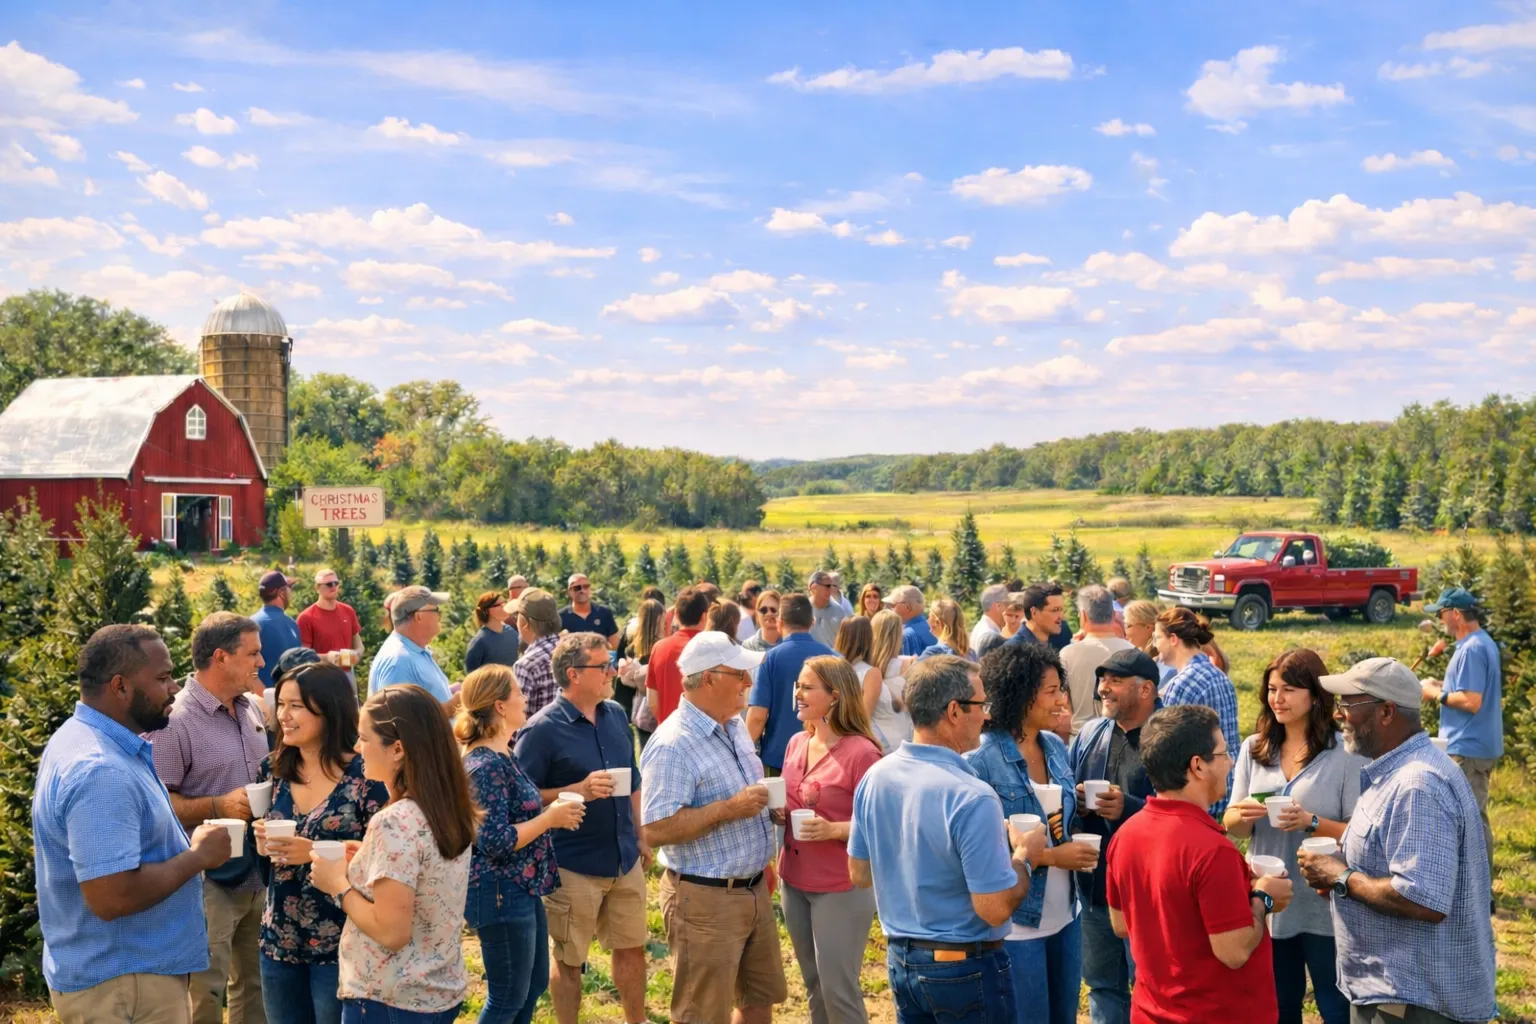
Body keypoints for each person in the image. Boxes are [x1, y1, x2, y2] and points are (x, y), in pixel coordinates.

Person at [35, 624, 233, 1024]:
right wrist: (198, 857)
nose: (175, 688)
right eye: (162, 678)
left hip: (126, 979)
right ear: (121, 687)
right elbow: (112, 897)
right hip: (126, 985)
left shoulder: (87, 739)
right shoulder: (101, 771)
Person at [848, 655, 1049, 1024]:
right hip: (964, 967)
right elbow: (994, 907)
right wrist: (1024, 856)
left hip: (903, 960)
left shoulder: (876, 777)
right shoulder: (972, 795)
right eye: (980, 705)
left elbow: (860, 873)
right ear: (954, 711)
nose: (986, 716)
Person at [1297, 657, 1497, 1024]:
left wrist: (1341, 878)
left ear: (1386, 712)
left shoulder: (1417, 785)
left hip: (1411, 1004)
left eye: (1348, 705)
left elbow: (1422, 899)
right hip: (1396, 995)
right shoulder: (1397, 772)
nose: (1339, 715)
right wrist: (1343, 880)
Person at [1105, 705, 1293, 1023]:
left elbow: (1122, 924)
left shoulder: (1126, 835)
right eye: (1222, 754)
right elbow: (1233, 952)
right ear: (1197, 766)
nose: (1231, 762)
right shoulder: (1212, 851)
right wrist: (1263, 898)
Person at [640, 631, 787, 1024]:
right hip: (705, 900)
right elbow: (654, 828)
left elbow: (743, 797)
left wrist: (769, 812)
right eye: (740, 674)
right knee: (702, 1014)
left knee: (757, 1002)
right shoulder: (673, 744)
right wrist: (727, 809)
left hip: (751, 890)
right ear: (709, 679)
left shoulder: (733, 725)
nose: (749, 683)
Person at [310, 684, 478, 1023]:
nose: (357, 748)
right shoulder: (447, 807)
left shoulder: (395, 821)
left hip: (389, 998)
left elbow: (392, 932)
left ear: (398, 748)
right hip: (438, 990)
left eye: (364, 738)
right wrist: (367, 858)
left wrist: (337, 885)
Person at [1224, 650, 1364, 1024]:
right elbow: (1232, 824)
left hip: (1324, 903)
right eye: (1271, 689)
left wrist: (1311, 821)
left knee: (1336, 1009)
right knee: (1278, 1007)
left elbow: (1362, 832)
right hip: (1270, 901)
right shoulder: (1254, 748)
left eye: (1288, 689)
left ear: (1315, 695)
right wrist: (1243, 814)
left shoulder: (1346, 754)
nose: (1277, 699)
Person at [516, 634, 651, 1024]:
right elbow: (521, 798)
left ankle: (636, 1019)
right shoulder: (541, 730)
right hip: (572, 864)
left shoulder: (614, 716)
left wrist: (640, 835)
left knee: (632, 948)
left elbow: (634, 781)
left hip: (623, 857)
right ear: (573, 674)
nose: (613, 671)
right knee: (570, 959)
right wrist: (577, 791)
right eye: (603, 665)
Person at [148, 612, 271, 1024]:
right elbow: (159, 804)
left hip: (257, 872)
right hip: (209, 884)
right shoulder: (175, 721)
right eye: (252, 653)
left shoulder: (250, 708)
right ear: (221, 656)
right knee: (205, 991)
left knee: (254, 986)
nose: (261, 662)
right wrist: (217, 806)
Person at [253, 663, 388, 1024]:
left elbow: (384, 856)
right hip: (279, 940)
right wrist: (261, 842)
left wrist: (310, 851)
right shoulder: (272, 770)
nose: (284, 715)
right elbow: (267, 863)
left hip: (343, 943)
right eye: (280, 704)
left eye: (296, 705)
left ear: (329, 708)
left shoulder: (367, 776)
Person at [967, 643, 1092, 1024]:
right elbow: (979, 848)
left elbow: (1060, 820)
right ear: (1021, 695)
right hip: (1016, 925)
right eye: (1051, 692)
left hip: (1066, 916)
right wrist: (1054, 857)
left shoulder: (1055, 746)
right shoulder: (980, 759)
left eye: (1060, 690)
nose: (1061, 701)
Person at [456, 665, 584, 1024]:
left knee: (531, 986)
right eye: (518, 693)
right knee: (507, 997)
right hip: (499, 892)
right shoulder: (484, 766)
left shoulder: (502, 755)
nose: (525, 698)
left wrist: (551, 810)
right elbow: (494, 840)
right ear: (499, 705)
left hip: (519, 887)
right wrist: (549, 819)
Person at [780, 656, 883, 1024]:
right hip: (793, 880)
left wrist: (834, 829)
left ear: (835, 697)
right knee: (814, 985)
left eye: (807, 687)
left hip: (841, 886)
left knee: (839, 990)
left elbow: (882, 826)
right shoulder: (796, 743)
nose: (798, 693)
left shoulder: (863, 753)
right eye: (798, 685)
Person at [1067, 648, 1162, 1024]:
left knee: (1151, 983)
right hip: (1095, 885)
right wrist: (1076, 802)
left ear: (1146, 690)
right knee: (1103, 985)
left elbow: (1192, 808)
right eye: (1103, 680)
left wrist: (1131, 807)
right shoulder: (1092, 732)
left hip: (1148, 890)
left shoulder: (1170, 735)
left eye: (1115, 681)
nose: (1104, 689)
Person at [1419, 586, 1500, 890]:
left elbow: (1471, 701)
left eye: (1441, 614)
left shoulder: (1472, 649)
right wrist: (1441, 683)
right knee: (1470, 816)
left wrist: (1433, 694)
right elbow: (1469, 689)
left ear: (1455, 614)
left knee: (1471, 820)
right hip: (1472, 745)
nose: (1440, 621)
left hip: (1468, 747)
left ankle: (1479, 892)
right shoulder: (1478, 644)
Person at [1155, 607, 1240, 818]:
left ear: (1173, 639)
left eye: (1157, 638)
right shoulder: (1219, 675)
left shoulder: (1181, 685)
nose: (1155, 645)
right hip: (1228, 785)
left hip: (1200, 794)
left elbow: (1168, 748)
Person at [747, 592, 836, 774]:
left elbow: (757, 716)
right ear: (811, 622)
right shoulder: (831, 658)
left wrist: (742, 753)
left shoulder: (770, 659)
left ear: (780, 622)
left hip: (779, 758)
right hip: (824, 757)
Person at [369, 587, 456, 715]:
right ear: (418, 616)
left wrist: (448, 692)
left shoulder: (416, 650)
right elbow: (400, 721)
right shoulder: (398, 661)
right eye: (436, 610)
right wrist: (450, 707)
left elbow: (420, 698)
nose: (439, 615)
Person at [1060, 585, 1133, 738]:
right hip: (1121, 739)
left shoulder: (1067, 654)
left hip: (1081, 737)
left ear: (1083, 615)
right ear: (1113, 615)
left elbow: (1064, 699)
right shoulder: (1132, 652)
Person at [645, 586, 710, 725]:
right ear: (705, 617)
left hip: (668, 733)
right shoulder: (713, 648)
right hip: (705, 736)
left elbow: (652, 701)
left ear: (676, 616)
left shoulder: (659, 648)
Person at [509, 587, 563, 718]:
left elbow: (519, 718)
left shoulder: (526, 665)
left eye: (517, 616)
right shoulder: (574, 651)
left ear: (525, 623)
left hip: (539, 737)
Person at [866, 608, 913, 752]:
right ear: (897, 635)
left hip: (874, 743)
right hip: (905, 744)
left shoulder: (863, 670)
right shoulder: (910, 666)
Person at [297, 568, 363, 669]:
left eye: (336, 583)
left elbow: (359, 646)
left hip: (347, 674)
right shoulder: (306, 618)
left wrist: (356, 655)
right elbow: (303, 656)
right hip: (320, 676)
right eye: (329, 584)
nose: (333, 587)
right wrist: (328, 657)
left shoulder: (348, 611)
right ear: (317, 588)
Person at [617, 597, 665, 730]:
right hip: (657, 705)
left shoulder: (632, 647)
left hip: (638, 706)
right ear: (660, 618)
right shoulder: (662, 646)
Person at [252, 570, 300, 691]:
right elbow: (245, 670)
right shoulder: (291, 625)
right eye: (289, 588)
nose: (291, 592)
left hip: (271, 700)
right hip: (274, 702)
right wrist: (267, 698)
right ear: (281, 593)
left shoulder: (252, 623)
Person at [835, 614, 881, 729]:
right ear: (868, 638)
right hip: (854, 736)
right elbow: (863, 717)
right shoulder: (871, 673)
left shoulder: (831, 667)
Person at [560, 573, 620, 649]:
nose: (582, 590)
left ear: (590, 589)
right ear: (569, 591)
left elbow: (615, 645)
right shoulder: (560, 617)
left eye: (586, 586)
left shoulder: (604, 613)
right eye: (577, 588)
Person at [465, 591, 520, 673]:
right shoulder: (479, 642)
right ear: (487, 610)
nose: (505, 607)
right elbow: (472, 675)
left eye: (505, 603)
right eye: (499, 605)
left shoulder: (512, 632)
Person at [1121, 600, 1172, 683]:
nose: (1124, 630)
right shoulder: (1139, 657)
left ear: (1148, 627)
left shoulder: (1164, 662)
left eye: (1127, 625)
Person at [1006, 582, 1065, 649]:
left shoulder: (1058, 644)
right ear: (1034, 612)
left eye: (1061, 610)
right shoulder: (1013, 649)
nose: (1061, 617)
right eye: (1055, 610)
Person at [884, 584, 936, 656]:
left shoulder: (906, 636)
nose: (891, 609)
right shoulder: (934, 629)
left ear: (907, 607)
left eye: (892, 605)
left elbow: (908, 666)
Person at [807, 569, 850, 648]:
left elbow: (845, 640)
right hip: (810, 658)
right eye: (827, 586)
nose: (831, 589)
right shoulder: (804, 610)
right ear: (814, 588)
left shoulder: (839, 611)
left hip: (832, 658)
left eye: (832, 586)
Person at [969, 584, 1008, 657]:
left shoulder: (981, 628)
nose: (1009, 610)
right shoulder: (990, 637)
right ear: (998, 606)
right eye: (1007, 605)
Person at [742, 589, 783, 654]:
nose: (769, 614)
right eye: (763, 610)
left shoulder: (790, 644)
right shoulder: (748, 646)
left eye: (773, 610)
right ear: (757, 613)